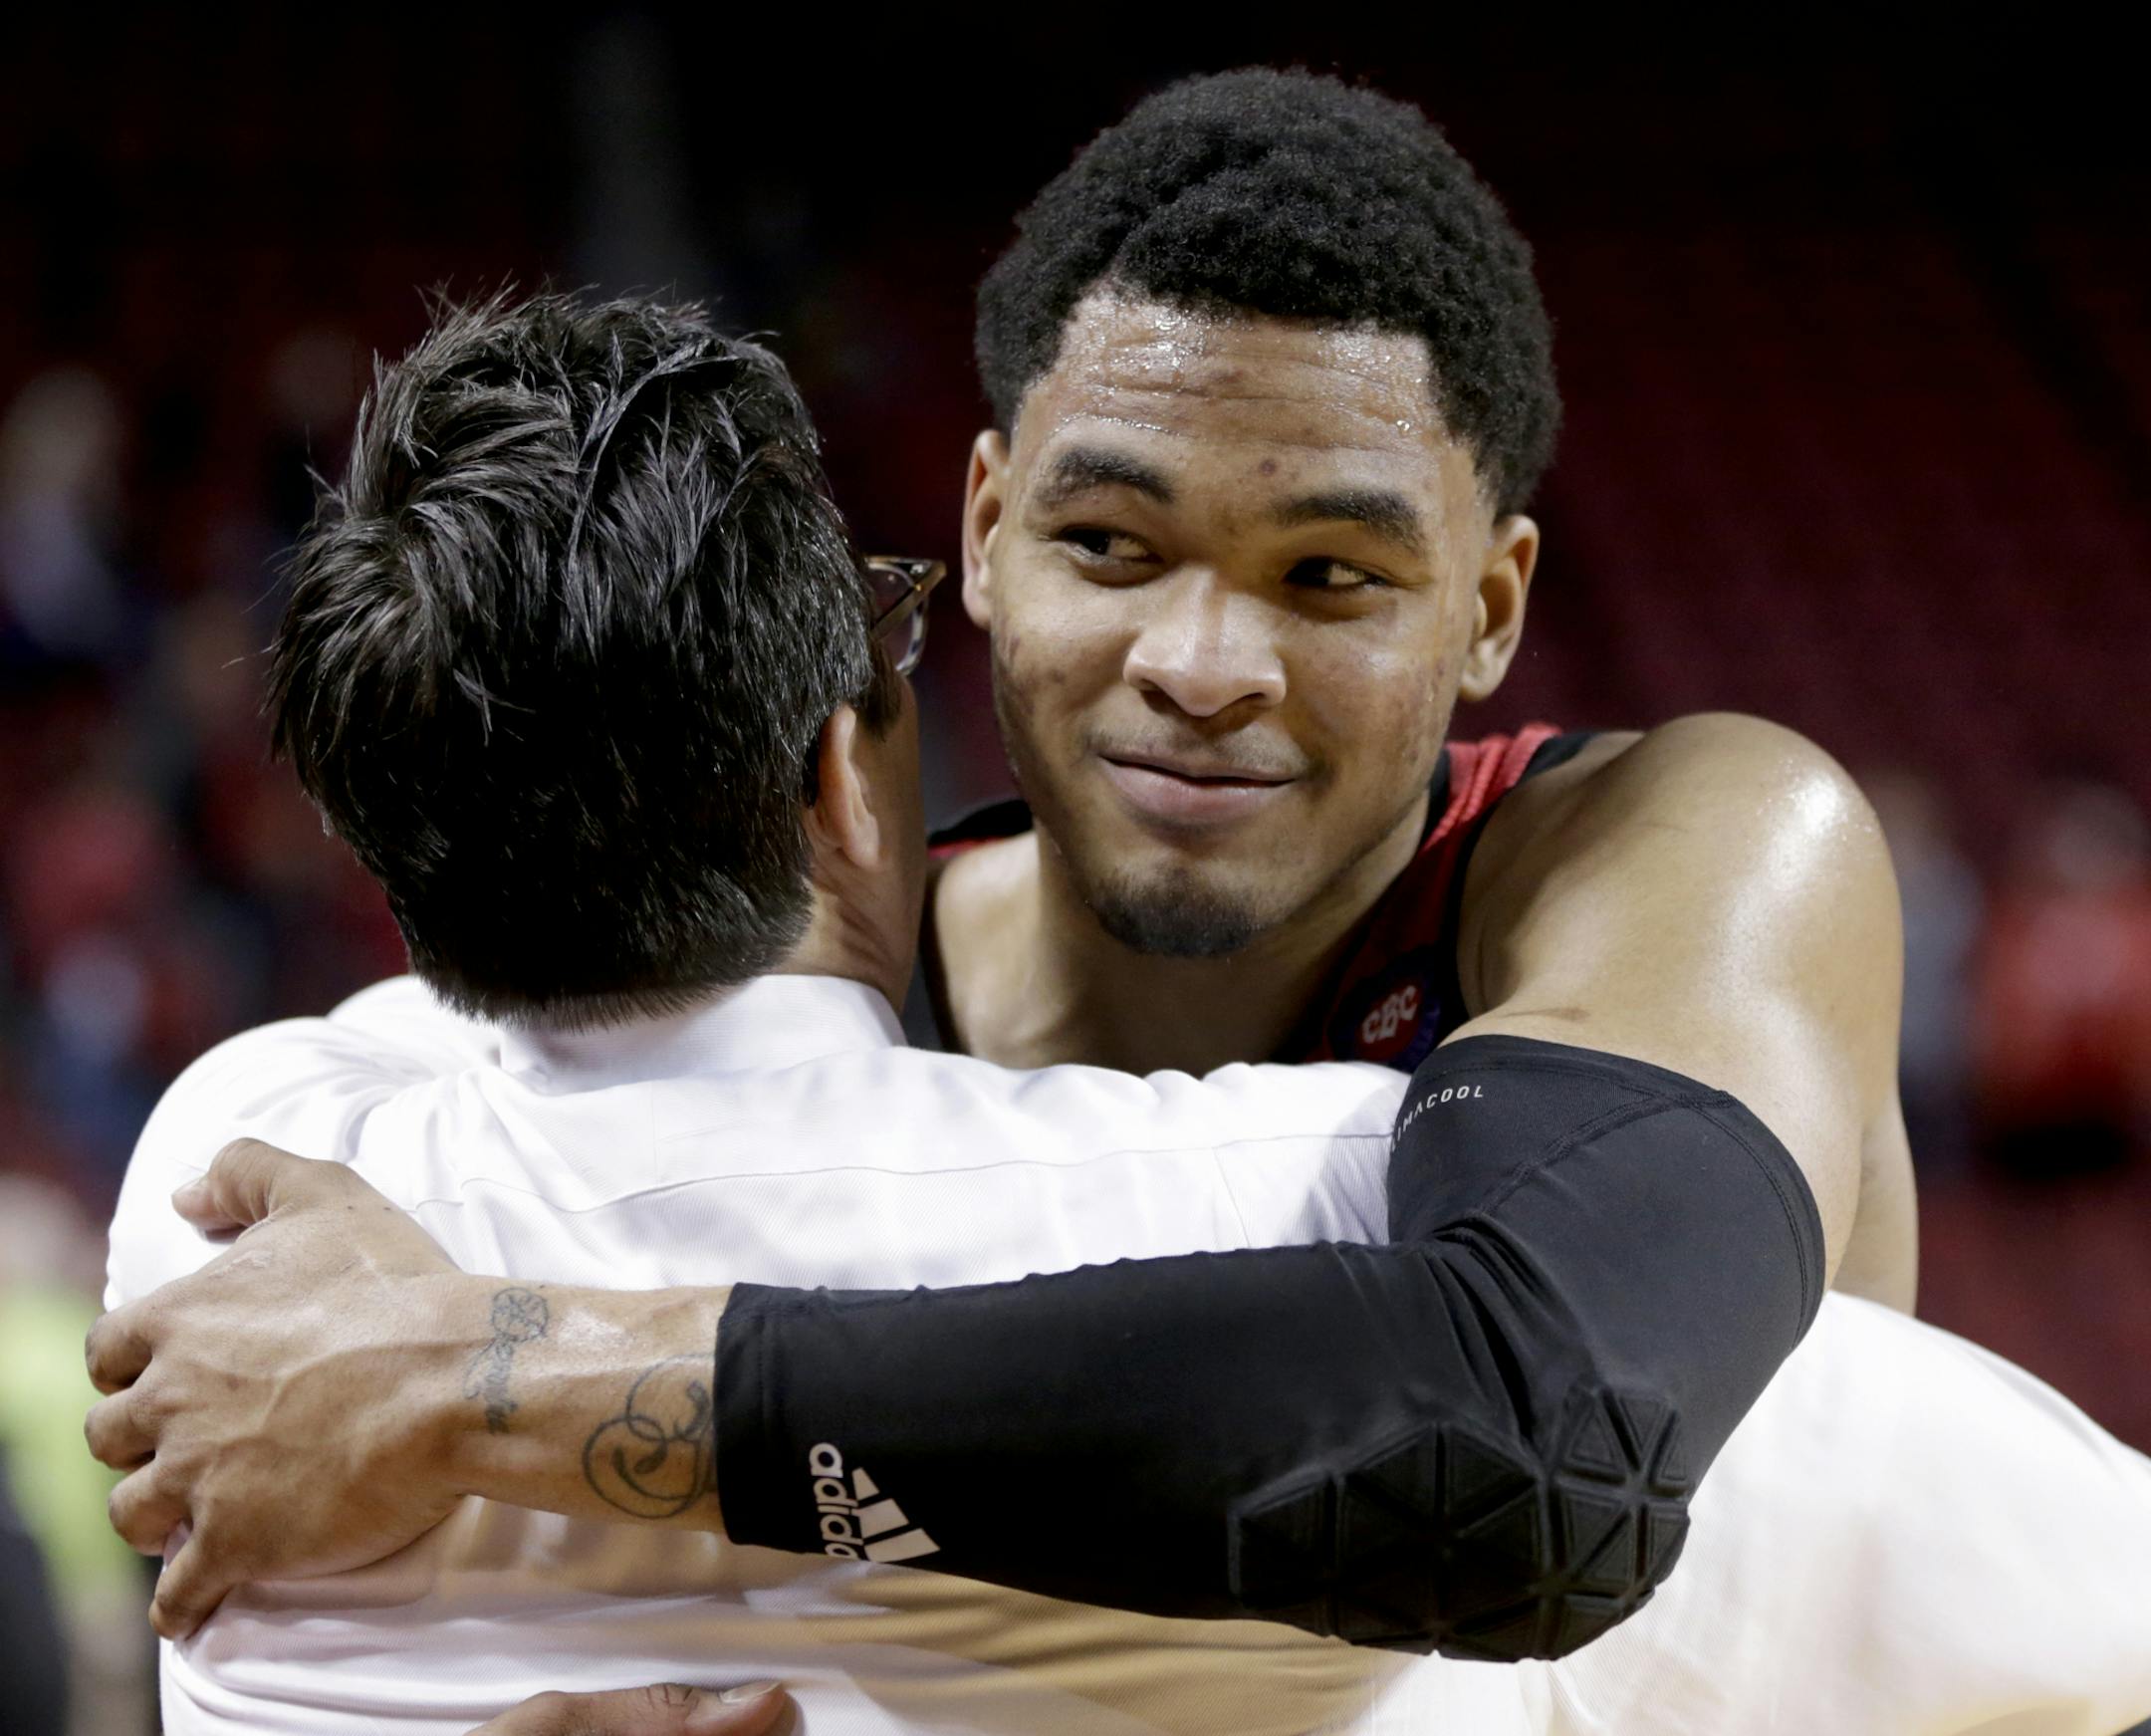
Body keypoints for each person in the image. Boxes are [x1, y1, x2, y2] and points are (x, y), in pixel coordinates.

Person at [87, 73, 2150, 1726]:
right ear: (981, 534)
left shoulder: (1678, 857)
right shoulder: (840, 1001)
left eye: (1328, 577)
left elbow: (1546, 1440)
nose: (1203, 658)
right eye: (1111, 539)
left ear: (1496, 601)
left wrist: (482, 1370)